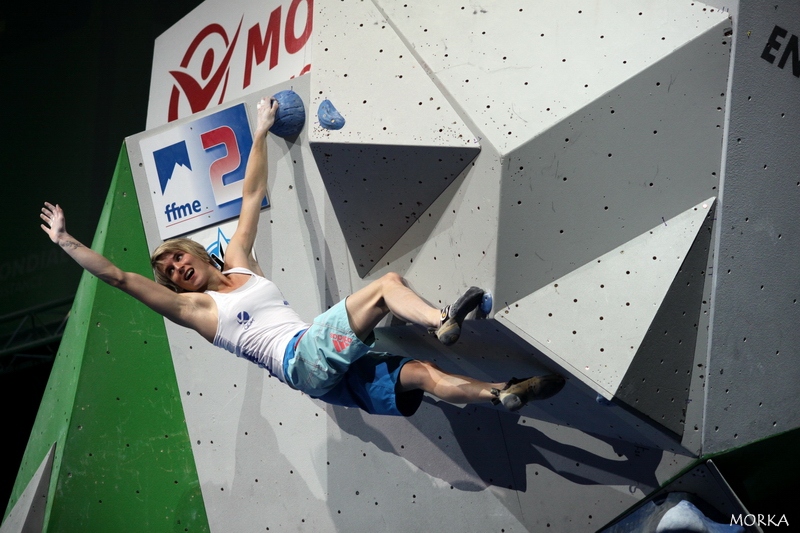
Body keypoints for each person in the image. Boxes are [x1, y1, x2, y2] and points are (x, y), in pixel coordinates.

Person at [40, 96, 565, 417]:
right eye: (171, 275)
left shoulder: (240, 264)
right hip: (303, 357)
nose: (176, 270)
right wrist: (67, 242)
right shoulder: (196, 311)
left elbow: (249, 197)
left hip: (322, 375)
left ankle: (500, 395)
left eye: (177, 260)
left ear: (195, 252)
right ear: (178, 289)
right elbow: (119, 278)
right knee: (385, 287)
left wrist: (261, 132)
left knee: (422, 375)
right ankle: (442, 320)